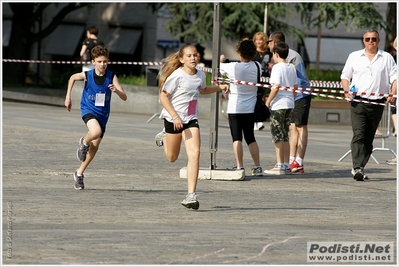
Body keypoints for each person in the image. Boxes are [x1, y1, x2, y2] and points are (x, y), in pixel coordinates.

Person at [154, 44, 229, 210]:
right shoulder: (176, 76)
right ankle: (164, 137)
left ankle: (191, 195)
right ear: (181, 59)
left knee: (195, 153)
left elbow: (202, 90)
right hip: (173, 119)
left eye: (195, 55)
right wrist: (174, 117)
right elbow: (163, 97)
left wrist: (220, 87)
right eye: (189, 56)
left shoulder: (200, 75)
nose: (193, 58)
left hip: (190, 119)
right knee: (171, 157)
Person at [65, 45, 127, 190]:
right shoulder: (88, 75)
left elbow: (124, 97)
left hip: (103, 115)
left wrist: (116, 90)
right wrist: (68, 96)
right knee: (95, 132)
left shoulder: (111, 76)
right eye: (99, 61)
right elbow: (73, 77)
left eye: (105, 61)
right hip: (88, 109)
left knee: (94, 148)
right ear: (93, 62)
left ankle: (79, 173)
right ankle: (84, 141)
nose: (102, 64)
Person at [341, 29, 397, 181]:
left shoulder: (386, 58)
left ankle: (361, 165)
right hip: (358, 101)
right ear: (363, 40)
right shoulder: (354, 56)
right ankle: (357, 167)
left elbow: (395, 78)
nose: (370, 41)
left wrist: (392, 93)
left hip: (377, 103)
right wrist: (346, 90)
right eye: (367, 39)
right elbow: (345, 76)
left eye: (373, 39)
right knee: (359, 134)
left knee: (369, 137)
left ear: (378, 41)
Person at [267, 31, 311, 174]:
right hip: (291, 99)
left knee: (296, 128)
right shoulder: (287, 63)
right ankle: (288, 161)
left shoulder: (290, 59)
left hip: (298, 97)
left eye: (268, 42)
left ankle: (296, 161)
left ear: (274, 44)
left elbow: (296, 83)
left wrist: (268, 101)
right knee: (289, 130)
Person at [219, 39, 264, 176]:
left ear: (239, 53)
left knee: (236, 138)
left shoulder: (232, 67)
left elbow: (218, 66)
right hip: (250, 108)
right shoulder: (257, 66)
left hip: (235, 107)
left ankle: (240, 166)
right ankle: (257, 167)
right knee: (251, 137)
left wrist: (222, 59)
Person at [264, 42, 297, 175]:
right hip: (289, 103)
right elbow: (295, 87)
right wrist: (291, 99)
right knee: (285, 134)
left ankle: (279, 164)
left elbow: (275, 87)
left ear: (276, 54)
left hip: (279, 105)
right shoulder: (291, 68)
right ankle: (286, 164)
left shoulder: (277, 68)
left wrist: (268, 101)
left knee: (277, 135)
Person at [252, 32, 273, 131]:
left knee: (261, 97)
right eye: (257, 40)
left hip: (265, 78)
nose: (259, 42)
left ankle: (258, 119)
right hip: (254, 78)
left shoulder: (268, 52)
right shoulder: (252, 52)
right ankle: (255, 120)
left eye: (260, 39)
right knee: (256, 98)